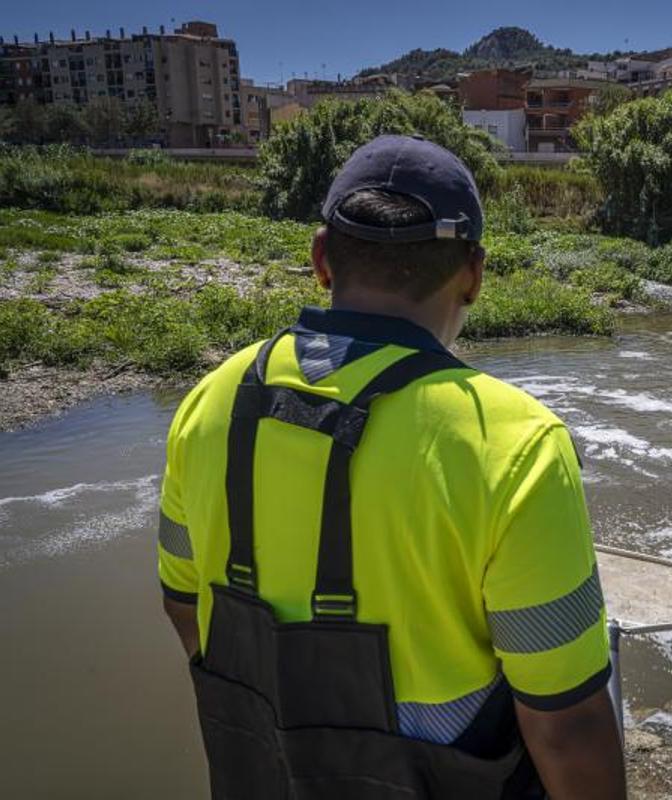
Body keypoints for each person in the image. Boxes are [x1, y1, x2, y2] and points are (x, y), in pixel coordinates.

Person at [156, 135, 626, 800]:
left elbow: (183, 608)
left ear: (322, 258)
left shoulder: (209, 401)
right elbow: (566, 725)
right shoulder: (518, 443)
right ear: (474, 274)